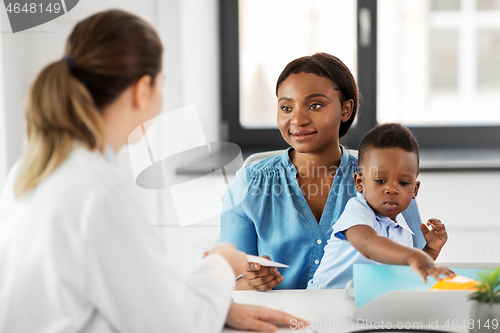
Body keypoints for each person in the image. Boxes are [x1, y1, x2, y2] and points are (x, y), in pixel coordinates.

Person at [0, 10, 302, 333]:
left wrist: (218, 308)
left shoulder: (28, 172)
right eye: (162, 83)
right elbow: (176, 326)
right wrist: (222, 262)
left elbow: (133, 297)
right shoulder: (101, 191)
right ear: (143, 88)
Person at [220, 53, 426, 291]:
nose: (297, 119)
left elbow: (414, 268)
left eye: (315, 105)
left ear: (346, 110)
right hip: (279, 324)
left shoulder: (388, 178)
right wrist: (250, 281)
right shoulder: (249, 184)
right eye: (286, 107)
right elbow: (226, 283)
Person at [307, 123, 454, 289]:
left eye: (404, 182)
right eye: (380, 181)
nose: (392, 189)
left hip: (361, 302)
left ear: (415, 190)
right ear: (359, 182)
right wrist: (413, 256)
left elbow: (406, 271)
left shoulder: (403, 229)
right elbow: (368, 244)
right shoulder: (357, 210)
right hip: (323, 299)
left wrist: (430, 250)